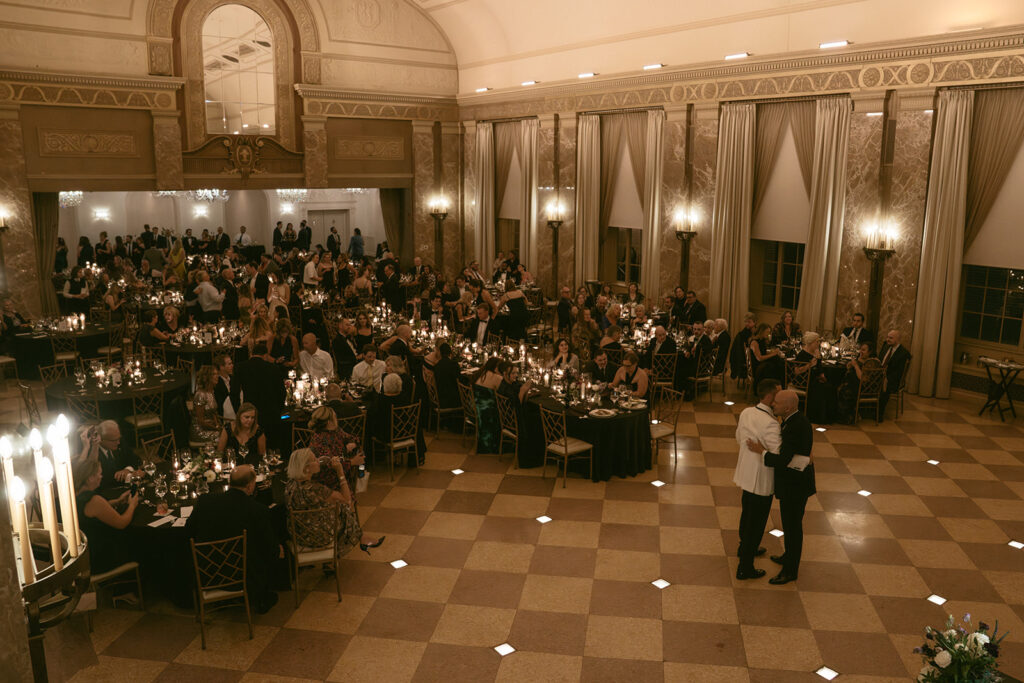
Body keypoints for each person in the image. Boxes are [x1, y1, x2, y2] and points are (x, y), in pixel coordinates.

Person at [187, 465, 281, 613]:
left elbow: (189, 531)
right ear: (250, 486)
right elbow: (270, 549)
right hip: (242, 577)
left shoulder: (205, 501)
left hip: (207, 574)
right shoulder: (258, 510)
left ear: (230, 483)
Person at [744, 390, 815, 585]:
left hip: (796, 487)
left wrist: (761, 451)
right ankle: (788, 556)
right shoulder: (793, 420)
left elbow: (784, 459)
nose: (773, 403)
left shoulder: (796, 425)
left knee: (793, 528)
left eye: (777, 402)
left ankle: (790, 570)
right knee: (790, 525)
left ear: (788, 407)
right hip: (793, 484)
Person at [285, 448, 383, 558]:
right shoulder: (316, 490)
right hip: (316, 538)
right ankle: (359, 538)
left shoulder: (290, 484)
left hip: (299, 535)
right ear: (306, 468)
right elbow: (347, 500)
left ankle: (362, 537)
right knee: (342, 508)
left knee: (334, 507)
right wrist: (340, 471)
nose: (318, 461)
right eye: (314, 460)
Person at [733, 378, 782, 580]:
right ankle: (745, 567)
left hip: (746, 474)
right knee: (756, 523)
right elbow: (778, 454)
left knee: (747, 516)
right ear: (770, 397)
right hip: (761, 479)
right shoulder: (770, 423)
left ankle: (744, 547)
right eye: (778, 395)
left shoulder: (746, 412)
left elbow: (738, 438)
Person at [73, 457, 139, 574]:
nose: (101, 477)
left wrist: (117, 501)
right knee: (142, 540)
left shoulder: (76, 494)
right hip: (102, 557)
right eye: (99, 474)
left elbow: (91, 512)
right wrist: (132, 505)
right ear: (90, 478)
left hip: (86, 552)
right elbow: (122, 523)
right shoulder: (94, 500)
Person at [230, 343, 285, 449]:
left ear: (251, 354)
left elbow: (234, 393)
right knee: (271, 447)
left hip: (250, 413)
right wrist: (279, 409)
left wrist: (239, 411)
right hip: (271, 414)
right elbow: (282, 393)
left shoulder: (240, 367)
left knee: (251, 447)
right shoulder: (274, 368)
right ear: (265, 355)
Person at [217, 402, 266, 466]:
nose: (250, 420)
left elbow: (262, 456)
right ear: (239, 416)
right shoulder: (228, 428)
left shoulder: (258, 431)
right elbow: (219, 452)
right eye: (247, 417)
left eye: (252, 417)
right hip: (231, 467)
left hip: (252, 468)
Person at [95, 420, 141, 488]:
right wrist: (130, 475)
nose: (118, 442)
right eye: (114, 440)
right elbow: (103, 480)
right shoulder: (94, 454)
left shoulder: (118, 441)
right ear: (100, 439)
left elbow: (136, 459)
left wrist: (127, 470)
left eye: (119, 438)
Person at [877, 329, 911, 419]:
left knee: (883, 386)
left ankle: (879, 414)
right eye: (887, 337)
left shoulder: (903, 353)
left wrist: (885, 377)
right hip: (879, 373)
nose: (887, 339)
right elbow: (879, 359)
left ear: (898, 339)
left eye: (891, 338)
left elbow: (899, 373)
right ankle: (866, 409)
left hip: (892, 379)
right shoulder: (886, 345)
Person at [423, 342, 460, 409]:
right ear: (450, 353)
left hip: (439, 399)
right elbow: (458, 381)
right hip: (450, 402)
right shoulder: (454, 365)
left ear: (440, 353)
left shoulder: (437, 366)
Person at [213, 353, 236, 422]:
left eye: (231, 363)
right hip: (223, 415)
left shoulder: (233, 379)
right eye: (229, 364)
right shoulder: (216, 383)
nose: (232, 366)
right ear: (221, 367)